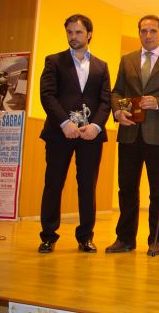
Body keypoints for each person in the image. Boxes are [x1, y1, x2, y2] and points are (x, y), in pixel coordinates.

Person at [38, 14, 111, 253]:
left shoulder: (101, 66)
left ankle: (85, 237)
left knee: (87, 186)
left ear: (89, 34)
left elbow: (105, 100)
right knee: (53, 183)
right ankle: (48, 236)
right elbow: (47, 95)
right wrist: (64, 123)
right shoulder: (54, 61)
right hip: (60, 133)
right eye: (69, 32)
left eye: (78, 32)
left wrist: (96, 126)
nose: (73, 36)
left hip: (90, 136)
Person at [106, 15, 159, 256]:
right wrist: (118, 111)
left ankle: (157, 239)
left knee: (158, 191)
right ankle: (125, 239)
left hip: (158, 135)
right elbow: (116, 92)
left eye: (153, 31)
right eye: (143, 31)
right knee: (126, 188)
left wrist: (157, 102)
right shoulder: (127, 60)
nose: (147, 35)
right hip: (129, 133)